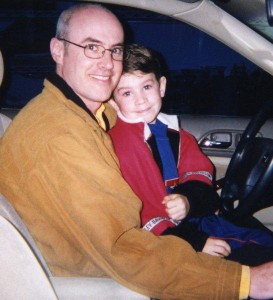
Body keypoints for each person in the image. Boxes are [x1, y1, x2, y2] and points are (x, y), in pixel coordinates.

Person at [0, 3, 273, 299]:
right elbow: (125, 247)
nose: (107, 63)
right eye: (92, 47)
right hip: (101, 280)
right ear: (57, 50)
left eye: (115, 50)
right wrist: (245, 281)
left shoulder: (71, 113)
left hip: (122, 260)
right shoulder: (61, 136)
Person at [109, 43, 273, 266]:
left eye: (147, 87)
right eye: (127, 92)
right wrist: (196, 242)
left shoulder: (177, 135)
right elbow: (141, 213)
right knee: (260, 253)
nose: (141, 99)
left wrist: (188, 200)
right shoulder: (121, 143)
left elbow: (200, 173)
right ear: (113, 101)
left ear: (162, 86)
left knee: (262, 240)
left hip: (191, 219)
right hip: (164, 236)